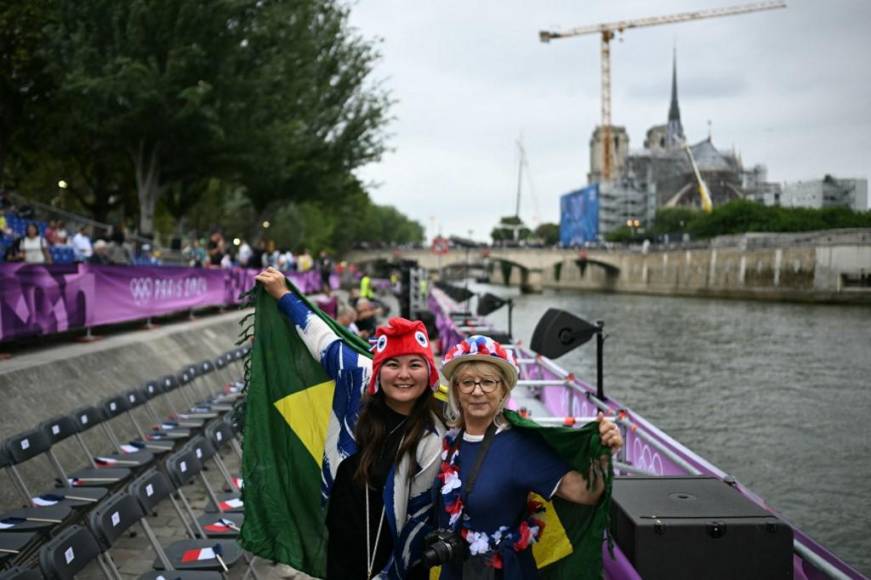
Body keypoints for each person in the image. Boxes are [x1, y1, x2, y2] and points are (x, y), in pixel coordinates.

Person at [255, 267, 447, 580]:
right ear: (377, 370)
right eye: (393, 365)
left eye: (415, 365)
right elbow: (322, 339)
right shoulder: (357, 381)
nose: (403, 375)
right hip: (342, 550)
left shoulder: (433, 433)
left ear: (430, 374)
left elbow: (419, 519)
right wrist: (282, 294)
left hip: (398, 564)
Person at [433, 335, 623, 579]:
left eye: (488, 382)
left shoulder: (520, 445)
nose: (477, 391)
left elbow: (586, 493)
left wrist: (603, 453)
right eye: (467, 382)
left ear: (503, 390)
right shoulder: (449, 442)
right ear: (457, 391)